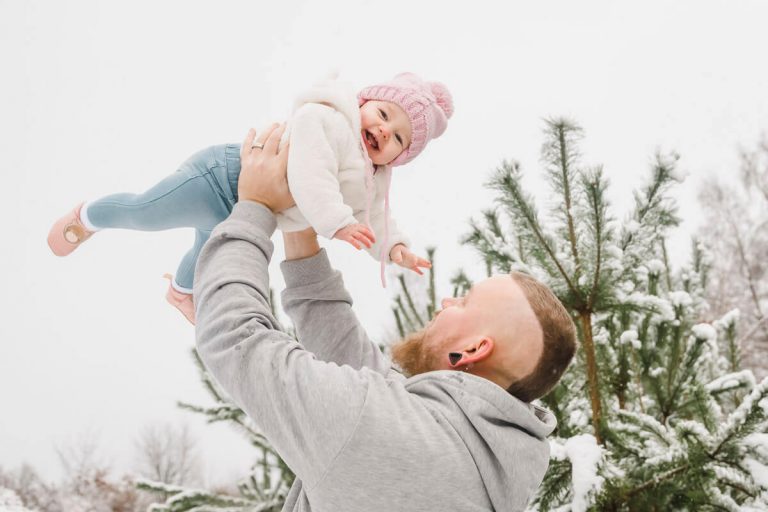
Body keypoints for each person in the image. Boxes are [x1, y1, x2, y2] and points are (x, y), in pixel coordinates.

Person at [193, 124, 579, 511]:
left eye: (464, 303)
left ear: (474, 348)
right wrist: (301, 221)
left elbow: (235, 338)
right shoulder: (472, 457)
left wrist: (255, 206)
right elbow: (352, 361)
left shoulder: (391, 436)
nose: (447, 301)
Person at [47, 72, 453, 323]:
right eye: (383, 115)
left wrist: (394, 248)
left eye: (398, 137)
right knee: (147, 212)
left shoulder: (371, 178)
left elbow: (376, 218)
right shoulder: (327, 119)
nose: (384, 131)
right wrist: (338, 222)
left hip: (246, 210)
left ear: (400, 157)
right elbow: (312, 175)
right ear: (363, 102)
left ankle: (182, 293)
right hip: (221, 178)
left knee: (204, 251)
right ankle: (88, 216)